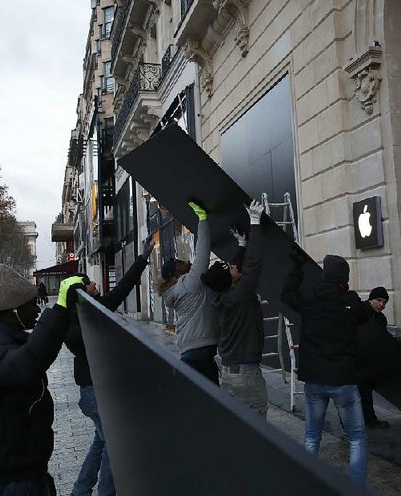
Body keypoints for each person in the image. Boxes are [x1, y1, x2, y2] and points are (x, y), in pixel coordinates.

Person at [0, 264, 84, 496]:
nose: (37, 310)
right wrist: (59, 309)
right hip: (9, 482)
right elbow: (24, 366)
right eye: (31, 304)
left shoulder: (3, 341)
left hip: (22, 474)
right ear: (13, 311)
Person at [66, 237, 154, 496]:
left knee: (101, 441)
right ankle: (106, 492)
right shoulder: (77, 324)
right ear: (83, 292)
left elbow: (123, 288)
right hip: (94, 392)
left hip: (94, 390)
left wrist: (142, 258)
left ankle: (81, 490)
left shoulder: (92, 311)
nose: (95, 284)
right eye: (90, 283)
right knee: (114, 444)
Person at [281, 250, 371, 487]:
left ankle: (307, 485)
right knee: (357, 438)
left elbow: (287, 294)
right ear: (345, 278)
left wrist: (296, 269)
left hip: (314, 380)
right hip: (343, 381)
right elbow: (365, 315)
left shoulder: (310, 297)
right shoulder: (350, 302)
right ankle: (356, 489)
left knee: (312, 436)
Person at [201, 201, 268, 417]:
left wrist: (241, 245)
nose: (233, 266)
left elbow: (230, 273)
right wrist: (255, 222)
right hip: (246, 373)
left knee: (241, 425)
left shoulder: (220, 295)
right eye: (229, 268)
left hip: (230, 372)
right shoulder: (238, 295)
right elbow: (253, 264)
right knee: (259, 428)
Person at [157, 200, 220, 385]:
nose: (185, 261)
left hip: (190, 350)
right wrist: (203, 219)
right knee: (215, 404)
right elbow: (202, 252)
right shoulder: (190, 283)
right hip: (200, 351)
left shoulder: (177, 290)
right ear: (177, 272)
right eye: (180, 262)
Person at [358, 286, 390, 428]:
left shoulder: (381, 319)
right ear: (371, 299)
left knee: (365, 390)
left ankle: (367, 418)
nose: (381, 305)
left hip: (368, 360)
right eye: (378, 300)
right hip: (355, 357)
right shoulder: (359, 310)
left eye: (384, 302)